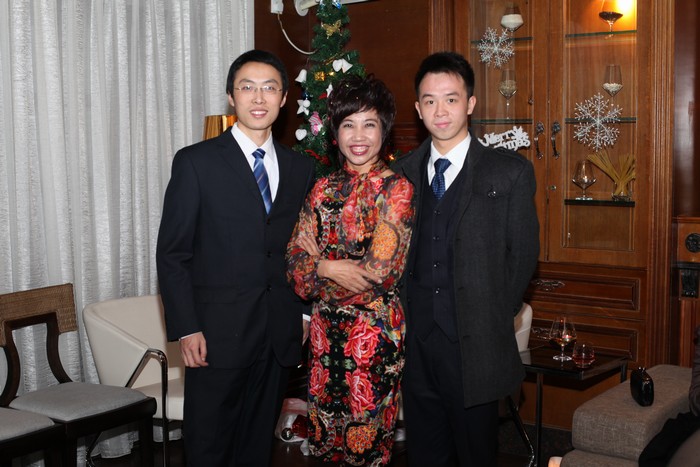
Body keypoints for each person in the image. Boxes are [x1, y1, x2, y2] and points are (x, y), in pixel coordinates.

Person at [156, 49, 314, 466]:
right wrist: (187, 327)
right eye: (247, 87)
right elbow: (173, 254)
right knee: (208, 448)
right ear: (231, 96)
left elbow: (305, 250)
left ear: (284, 99)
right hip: (215, 337)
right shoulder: (196, 162)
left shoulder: (301, 169)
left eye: (269, 88)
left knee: (257, 449)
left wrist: (304, 314)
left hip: (278, 335)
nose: (258, 98)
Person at [392, 51, 540, 466]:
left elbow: (523, 254)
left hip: (475, 347)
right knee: (424, 455)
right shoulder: (401, 174)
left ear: (470, 103)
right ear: (418, 108)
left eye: (451, 99)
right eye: (430, 100)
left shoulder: (508, 172)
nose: (440, 111)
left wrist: (494, 314)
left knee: (476, 454)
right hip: (417, 346)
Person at [286, 74, 415, 466]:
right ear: (336, 133)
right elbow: (294, 265)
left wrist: (317, 264)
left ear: (384, 131)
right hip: (324, 341)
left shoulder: (397, 190)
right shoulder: (321, 188)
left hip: (372, 339)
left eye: (369, 124)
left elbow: (376, 275)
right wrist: (327, 266)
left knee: (365, 449)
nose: (358, 136)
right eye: (348, 124)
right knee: (325, 446)